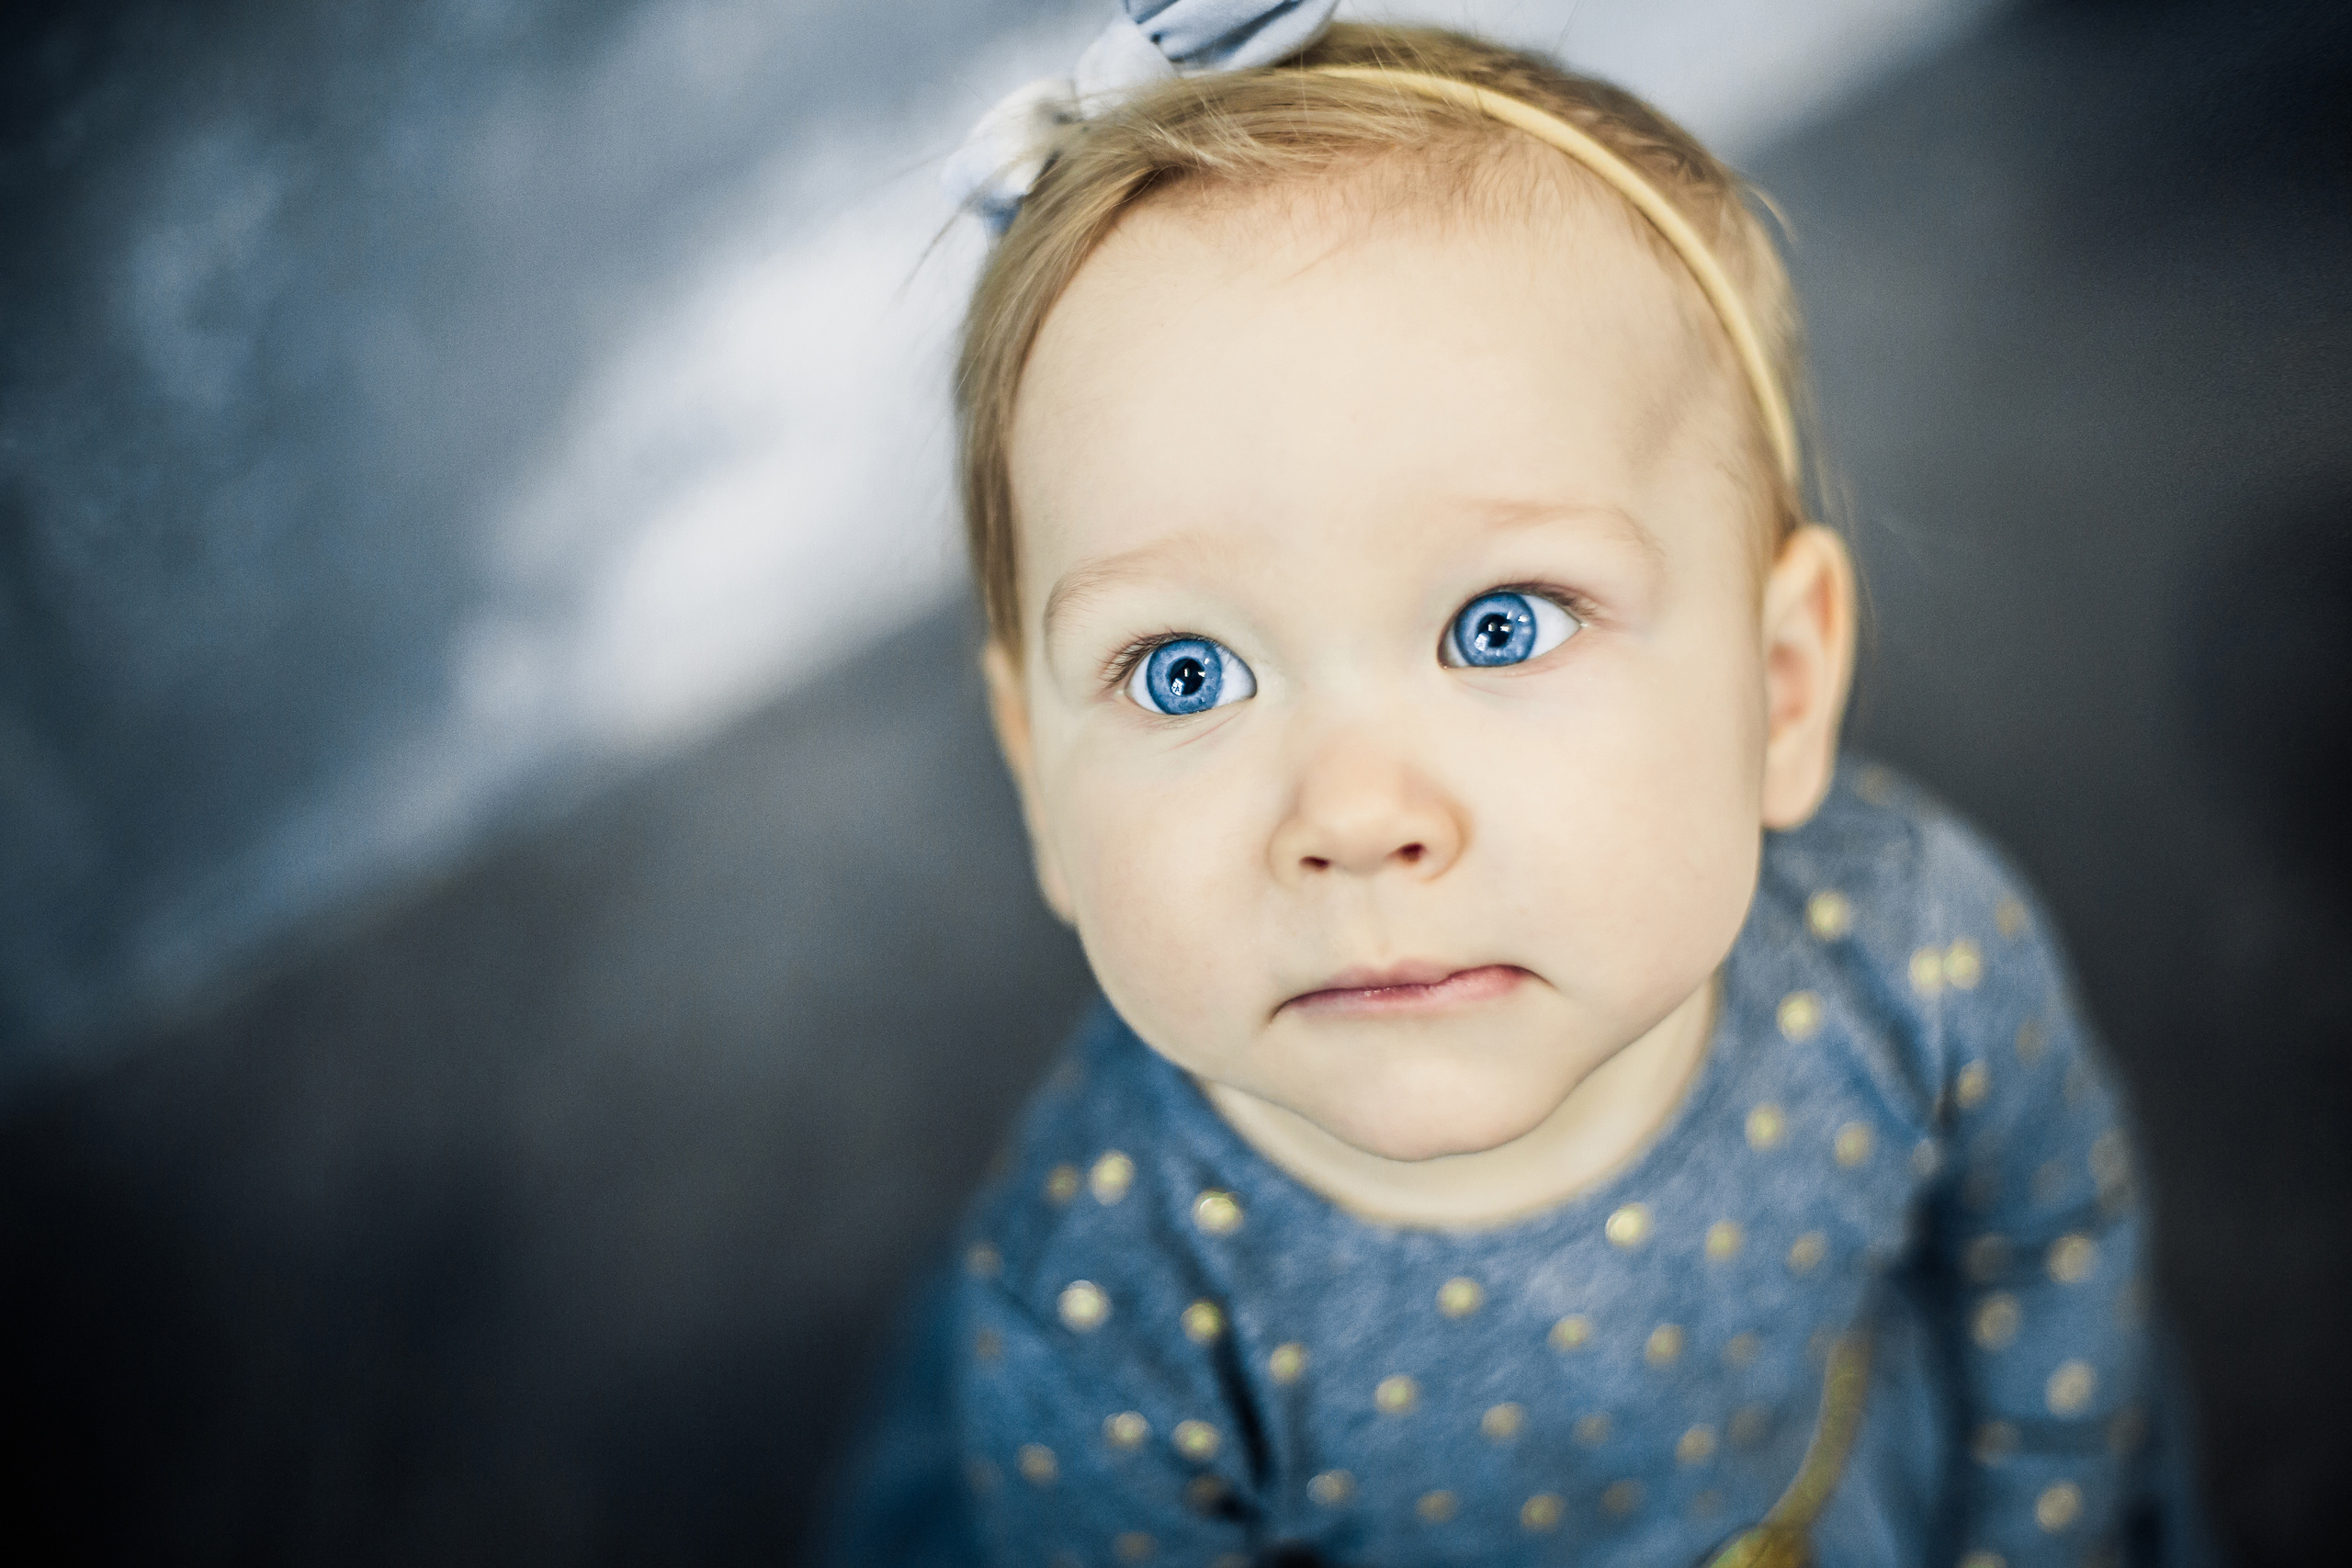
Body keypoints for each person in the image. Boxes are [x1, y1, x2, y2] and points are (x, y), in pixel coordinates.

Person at [831, 3, 2197, 1562]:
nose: (1352, 815)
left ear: (1782, 686)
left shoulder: (1913, 953)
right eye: (1184, 672)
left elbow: (2050, 1259)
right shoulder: (1104, 1303)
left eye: (1500, 627)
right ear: (1038, 781)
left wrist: (2032, 1538)